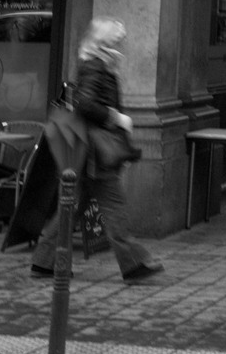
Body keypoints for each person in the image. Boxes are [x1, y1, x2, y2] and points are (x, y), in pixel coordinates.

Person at [29, 17, 165, 285]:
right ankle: (134, 262)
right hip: (96, 154)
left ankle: (44, 261)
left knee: (73, 208)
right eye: (116, 40)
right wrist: (115, 118)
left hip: (89, 154)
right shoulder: (95, 67)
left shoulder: (96, 64)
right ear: (104, 42)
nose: (121, 45)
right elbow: (85, 104)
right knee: (112, 207)